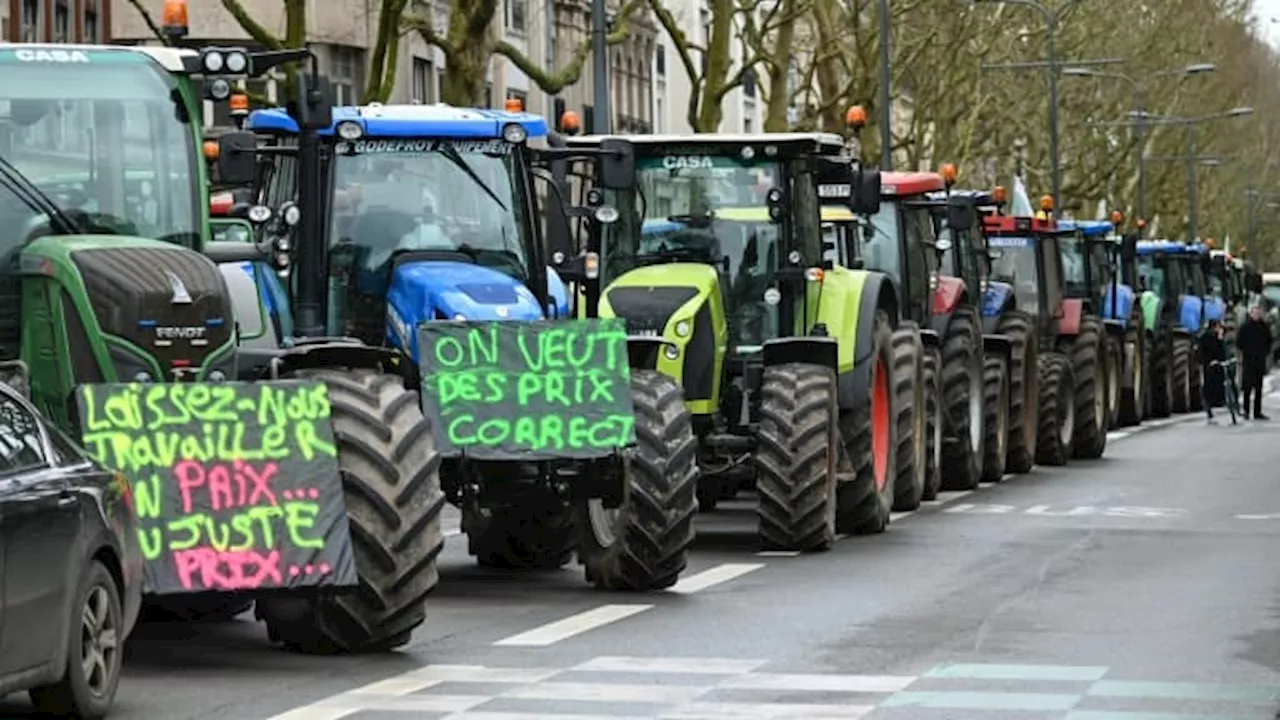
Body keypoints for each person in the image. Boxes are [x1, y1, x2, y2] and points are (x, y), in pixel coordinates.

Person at [1237, 303, 1273, 420]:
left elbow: (1269, 341)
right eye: (1254, 313)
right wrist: (1246, 352)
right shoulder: (1245, 327)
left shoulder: (1264, 327)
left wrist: (1265, 353)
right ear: (1250, 314)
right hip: (1248, 361)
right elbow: (1239, 342)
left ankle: (1257, 412)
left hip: (1260, 360)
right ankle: (1246, 411)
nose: (1256, 315)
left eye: (1258, 313)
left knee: (1258, 388)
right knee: (1247, 387)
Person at [1199, 319, 1227, 423]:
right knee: (1212, 385)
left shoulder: (1206, 336)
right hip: (1212, 365)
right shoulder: (1210, 337)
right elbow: (1219, 351)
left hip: (1211, 364)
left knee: (1211, 385)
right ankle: (1213, 403)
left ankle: (1211, 404)